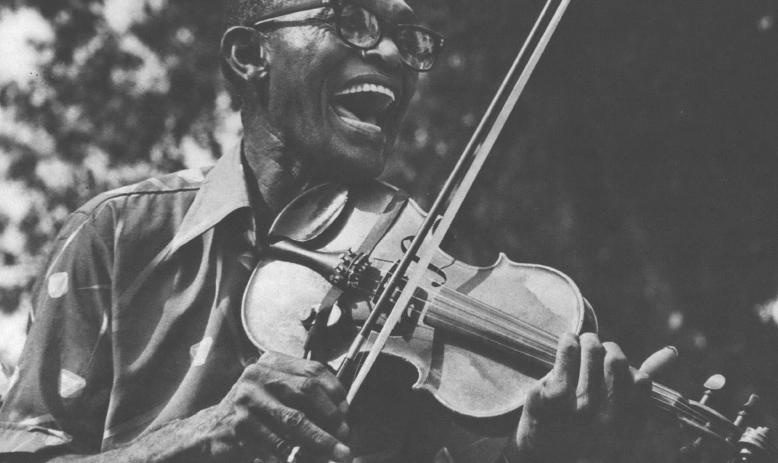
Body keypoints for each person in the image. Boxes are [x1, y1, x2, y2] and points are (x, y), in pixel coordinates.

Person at [0, 0, 673, 461]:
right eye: (350, 19)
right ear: (249, 56)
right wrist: (201, 435)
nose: (390, 53)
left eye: (411, 39)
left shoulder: (413, 273)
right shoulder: (120, 235)